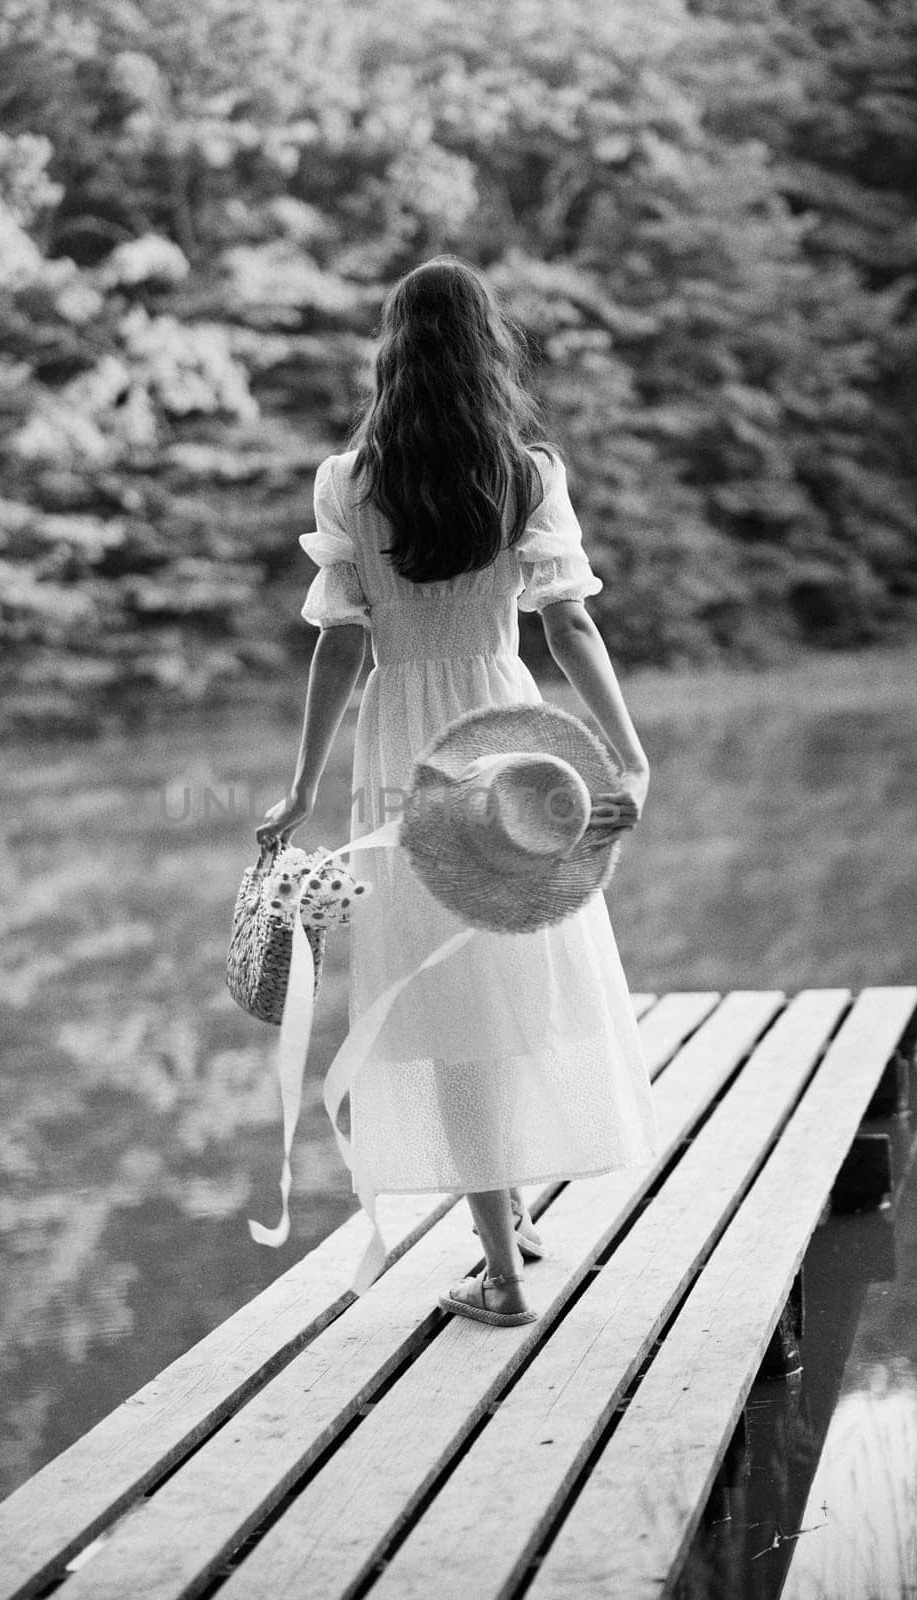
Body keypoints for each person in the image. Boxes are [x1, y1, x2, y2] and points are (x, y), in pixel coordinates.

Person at [255, 255, 657, 1325]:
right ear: (487, 349)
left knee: (441, 993)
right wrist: (623, 750)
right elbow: (569, 622)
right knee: (507, 973)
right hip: (502, 728)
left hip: (403, 753)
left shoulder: (349, 481)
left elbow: (338, 648)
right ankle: (508, 1235)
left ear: (390, 352)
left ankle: (504, 1263)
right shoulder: (526, 471)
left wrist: (299, 787)